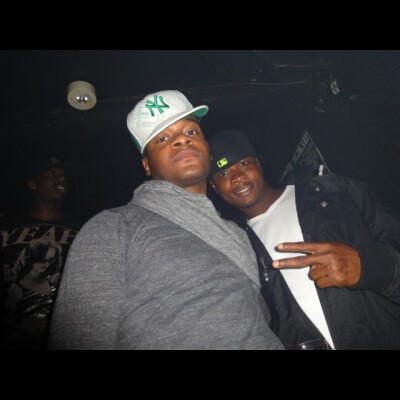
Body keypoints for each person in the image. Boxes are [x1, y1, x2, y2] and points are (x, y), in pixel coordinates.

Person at [48, 90, 284, 350]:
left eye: (191, 131)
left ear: (207, 151)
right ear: (147, 165)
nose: (182, 139)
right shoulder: (112, 227)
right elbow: (80, 337)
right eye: (163, 138)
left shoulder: (237, 233)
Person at [208, 129, 400, 350]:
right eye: (223, 173)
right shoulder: (231, 244)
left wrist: (370, 265)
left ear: (257, 163)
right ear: (214, 187)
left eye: (243, 164)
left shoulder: (332, 191)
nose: (237, 177)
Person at [0, 156, 81, 350]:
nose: (61, 178)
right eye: (51, 174)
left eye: (63, 175)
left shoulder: (82, 229)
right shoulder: (7, 226)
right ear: (33, 184)